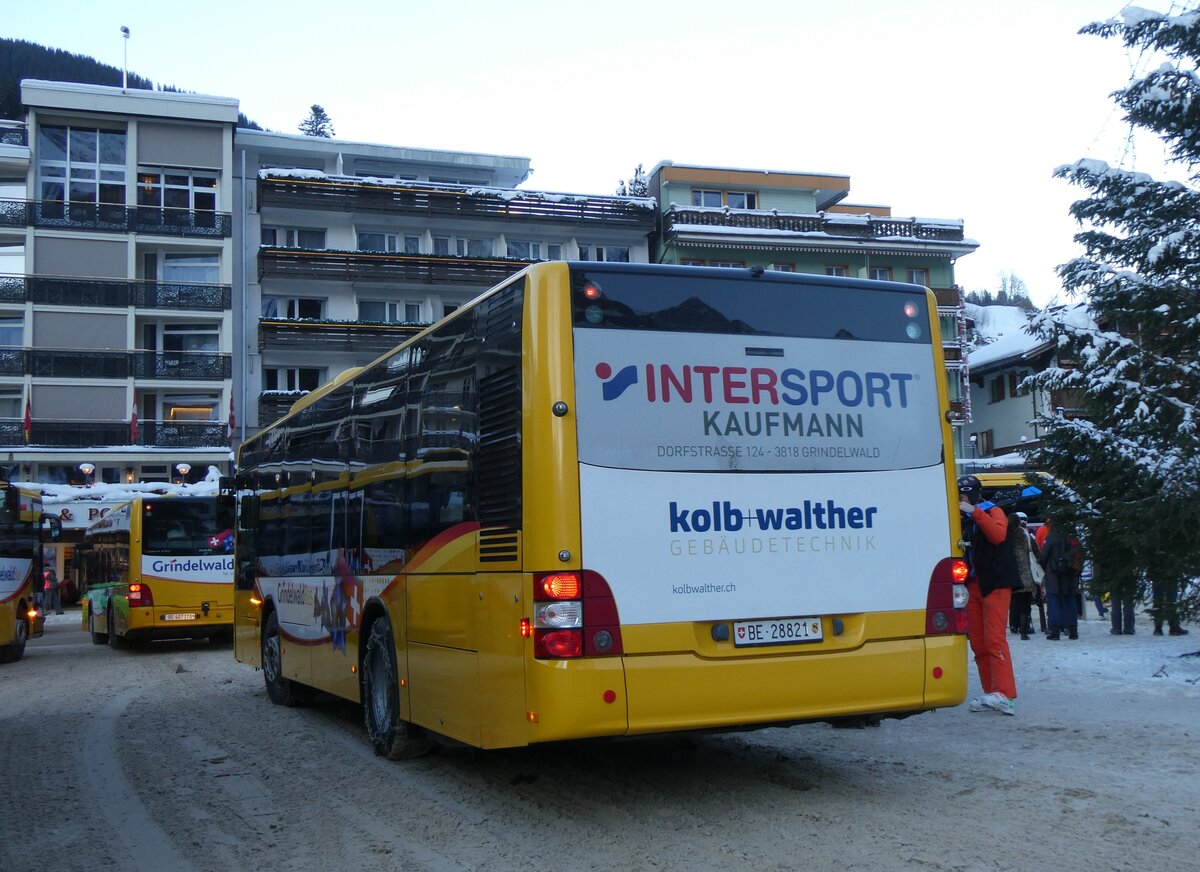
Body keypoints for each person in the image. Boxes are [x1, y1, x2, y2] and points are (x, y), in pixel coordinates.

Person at [958, 475, 1020, 716]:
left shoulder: (993, 511)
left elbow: (998, 535)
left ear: (972, 495)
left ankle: (1005, 693)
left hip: (996, 583)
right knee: (979, 643)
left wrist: (975, 512)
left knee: (995, 639)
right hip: (974, 584)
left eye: (962, 497)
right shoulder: (962, 518)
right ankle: (991, 692)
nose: (959, 501)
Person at [1039, 522, 1083, 641]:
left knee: (1054, 603)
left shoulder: (1052, 536)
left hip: (1054, 574)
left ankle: (1055, 631)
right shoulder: (1074, 537)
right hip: (1070, 575)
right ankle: (1073, 631)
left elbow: (1043, 556)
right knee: (1070, 602)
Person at [1009, 512, 1039, 641]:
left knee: (1014, 602)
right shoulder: (1026, 535)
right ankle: (1024, 631)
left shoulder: (1006, 536)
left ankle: (1013, 626)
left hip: (1012, 574)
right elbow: (1036, 552)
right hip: (1027, 574)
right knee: (1025, 605)